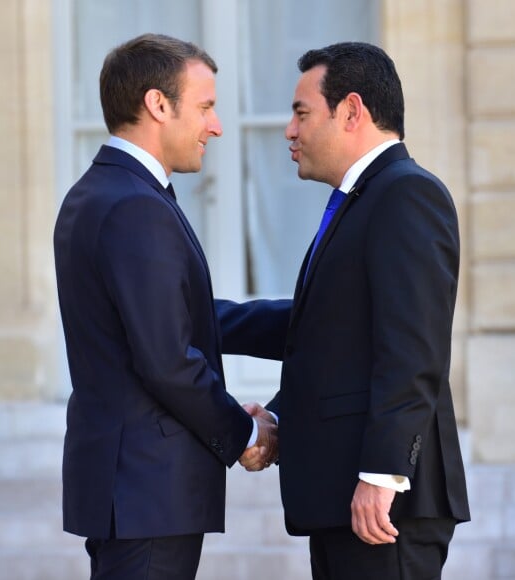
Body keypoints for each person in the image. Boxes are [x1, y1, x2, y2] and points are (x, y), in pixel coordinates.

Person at [218, 41, 470, 579]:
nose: (289, 129)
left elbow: (413, 349)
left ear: (351, 111)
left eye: (301, 112)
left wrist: (380, 475)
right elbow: (327, 334)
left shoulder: (406, 195)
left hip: (382, 505)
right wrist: (279, 413)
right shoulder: (364, 200)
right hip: (345, 497)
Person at [53, 33, 278, 580]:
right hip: (146, 491)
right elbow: (167, 359)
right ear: (157, 104)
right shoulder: (134, 205)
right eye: (205, 107)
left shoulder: (99, 192)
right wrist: (245, 433)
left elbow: (170, 320)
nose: (216, 125)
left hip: (130, 492)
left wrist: (303, 320)